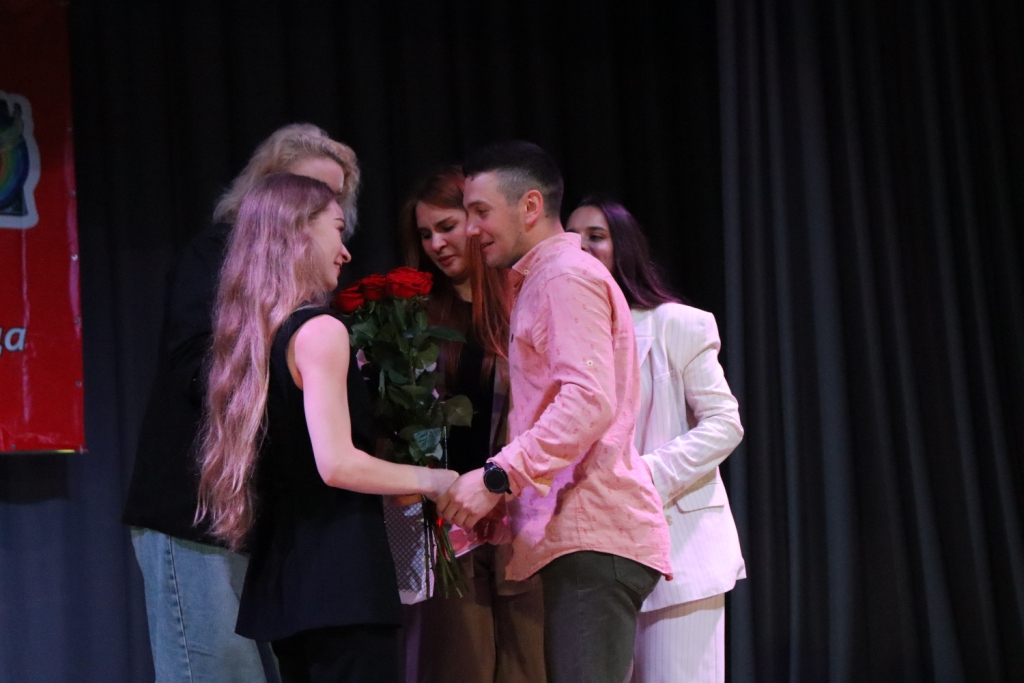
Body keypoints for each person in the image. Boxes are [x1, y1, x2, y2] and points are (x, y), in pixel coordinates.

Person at [195, 173, 458, 683]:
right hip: (343, 586)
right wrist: (434, 479)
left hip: (291, 588)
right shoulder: (319, 331)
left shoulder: (253, 342)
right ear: (299, 232)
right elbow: (337, 464)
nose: (345, 252)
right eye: (337, 229)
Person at [121, 123, 360, 683]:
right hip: (196, 510)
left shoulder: (310, 293)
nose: (318, 204)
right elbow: (195, 367)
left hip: (259, 519)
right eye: (305, 188)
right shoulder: (215, 256)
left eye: (332, 197)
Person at [437, 141, 672, 683]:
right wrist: (508, 500)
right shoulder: (547, 278)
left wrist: (498, 477)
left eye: (480, 211)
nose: (470, 229)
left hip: (595, 535)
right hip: (580, 539)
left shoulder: (564, 277)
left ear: (530, 206)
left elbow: (588, 401)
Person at [567, 198, 746, 683]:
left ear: (624, 246)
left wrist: (644, 474)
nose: (581, 247)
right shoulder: (569, 339)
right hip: (598, 554)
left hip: (679, 549)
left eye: (596, 236)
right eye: (571, 237)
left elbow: (724, 422)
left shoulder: (676, 324)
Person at [396, 165, 546, 683]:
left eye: (447, 226)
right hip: (449, 528)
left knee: (530, 668)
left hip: (522, 519)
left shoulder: (524, 301)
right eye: (425, 234)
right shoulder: (415, 317)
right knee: (458, 666)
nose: (436, 244)